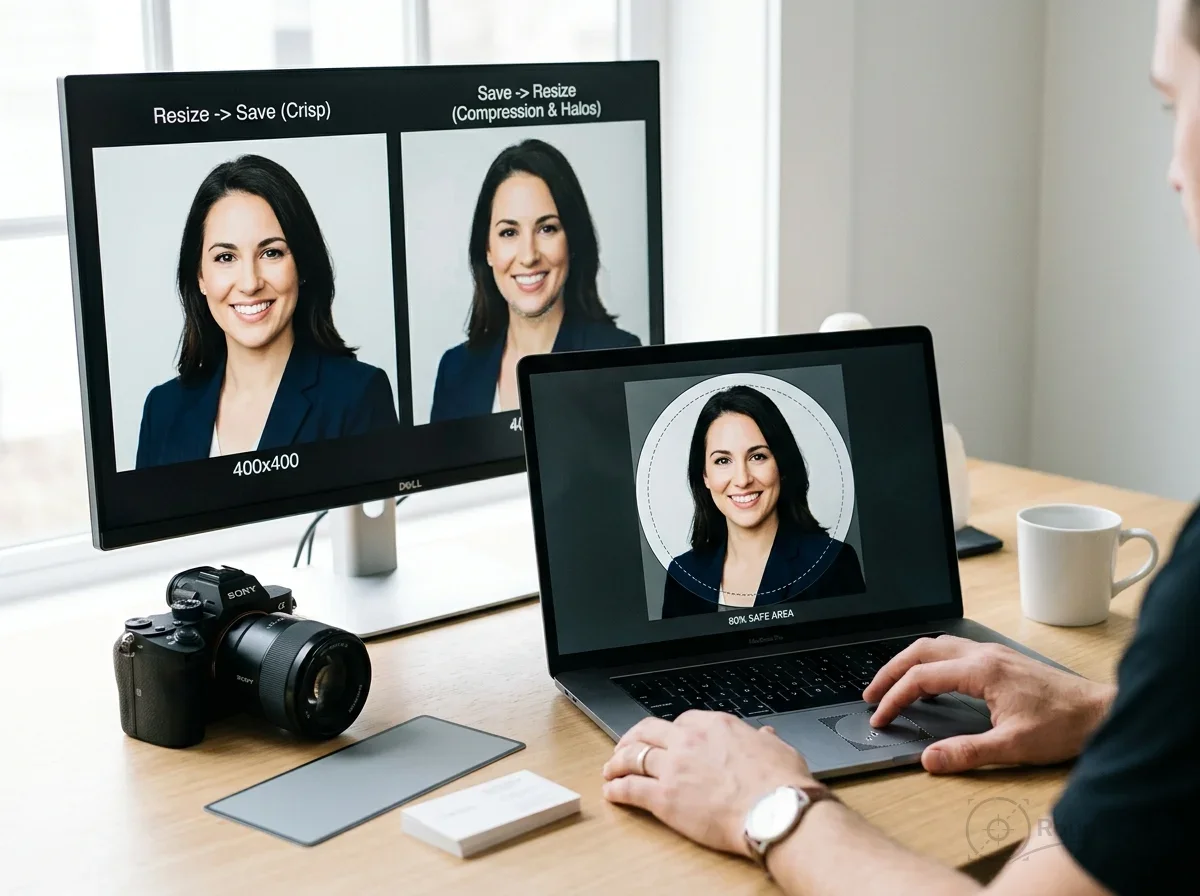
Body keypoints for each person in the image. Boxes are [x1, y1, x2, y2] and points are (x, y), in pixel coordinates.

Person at [600, 3, 1200, 893]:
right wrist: (1114, 712)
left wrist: (772, 805)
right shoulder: (685, 571)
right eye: (718, 460)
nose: (1173, 168)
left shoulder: (827, 558)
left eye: (1173, 103)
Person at [135, 154, 398, 469]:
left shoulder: (358, 397)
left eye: (271, 253)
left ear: (301, 266)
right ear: (200, 277)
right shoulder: (161, 410)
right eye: (225, 257)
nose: (250, 283)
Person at [429, 138, 640, 423]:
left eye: (546, 228)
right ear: (487, 250)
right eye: (508, 233)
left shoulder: (619, 360)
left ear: (572, 241)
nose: (528, 256)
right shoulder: (455, 371)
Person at [661, 385, 864, 618]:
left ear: (781, 466)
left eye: (758, 457)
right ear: (704, 476)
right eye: (723, 460)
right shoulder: (684, 574)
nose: (742, 479)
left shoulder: (831, 563)